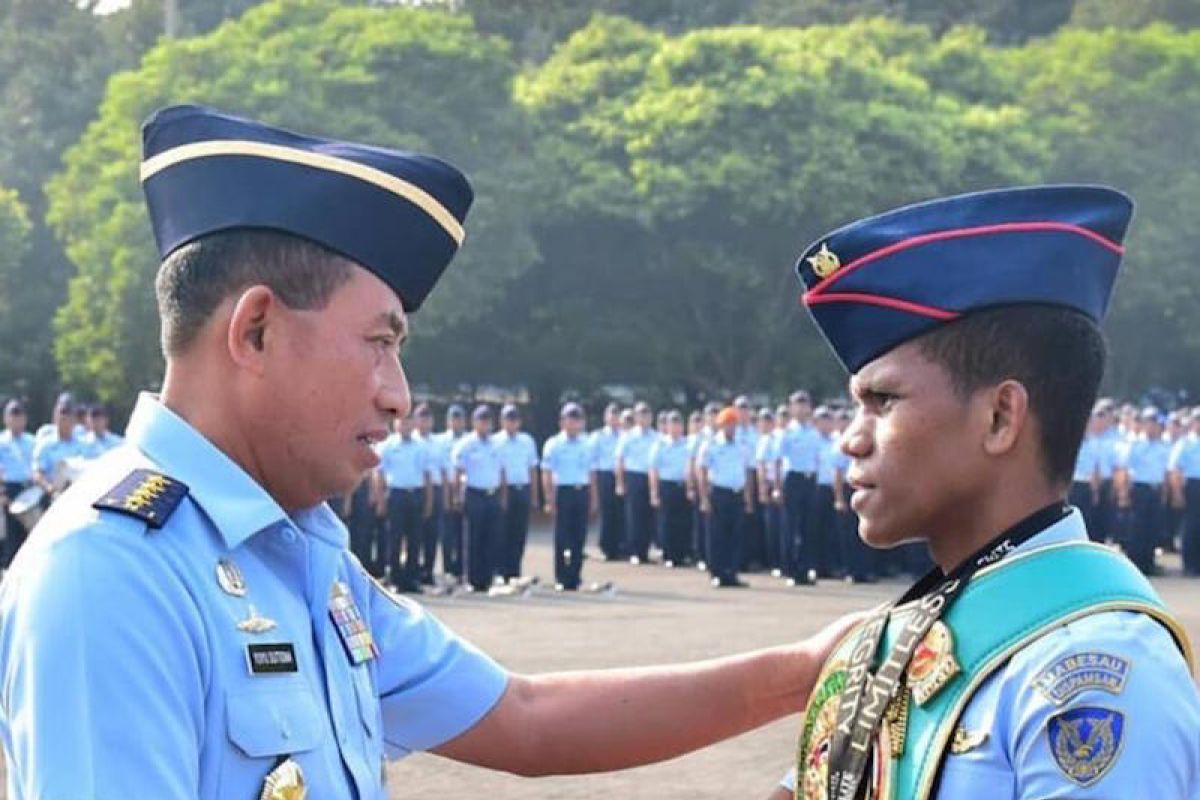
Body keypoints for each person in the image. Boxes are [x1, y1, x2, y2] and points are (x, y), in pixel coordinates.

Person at [0, 106, 856, 800]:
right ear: (254, 329)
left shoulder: (300, 554)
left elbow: (523, 718)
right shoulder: (113, 574)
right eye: (379, 342)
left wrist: (809, 670)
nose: (397, 392)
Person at [773, 185, 1199, 800]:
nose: (851, 441)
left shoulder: (1096, 671)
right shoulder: (889, 642)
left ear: (1001, 417)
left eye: (882, 402)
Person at [375, 413, 433, 593]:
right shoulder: (387, 446)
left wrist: (429, 501)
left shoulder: (421, 447)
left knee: (415, 539)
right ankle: (395, 578)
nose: (405, 426)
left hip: (416, 494)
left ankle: (412, 579)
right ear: (396, 424)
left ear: (413, 424)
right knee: (395, 538)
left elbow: (427, 475)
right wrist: (380, 499)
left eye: (408, 422)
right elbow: (380, 474)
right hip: (396, 495)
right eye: (402, 423)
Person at [697, 406, 753, 588]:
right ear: (720, 426)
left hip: (736, 493)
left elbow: (746, 472)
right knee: (717, 536)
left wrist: (747, 497)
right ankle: (717, 573)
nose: (731, 428)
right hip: (719, 493)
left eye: (733, 424)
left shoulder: (742, 446)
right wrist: (704, 498)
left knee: (735, 536)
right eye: (727, 425)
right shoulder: (711, 445)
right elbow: (702, 471)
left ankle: (732, 572)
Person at [541, 403, 595, 591]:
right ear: (562, 422)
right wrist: (549, 499)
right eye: (570, 420)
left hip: (581, 491)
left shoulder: (587, 443)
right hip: (562, 491)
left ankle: (575, 576)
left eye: (577, 420)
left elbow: (591, 472)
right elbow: (547, 474)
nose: (573, 424)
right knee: (562, 537)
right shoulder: (554, 444)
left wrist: (593, 498)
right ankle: (561, 576)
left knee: (579, 537)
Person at [452, 405, 506, 593]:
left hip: (492, 494)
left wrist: (503, 496)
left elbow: (502, 472)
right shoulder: (466, 444)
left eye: (487, 421)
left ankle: (487, 578)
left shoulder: (497, 444)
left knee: (491, 538)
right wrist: (457, 496)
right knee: (473, 538)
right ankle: (473, 579)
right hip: (474, 494)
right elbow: (458, 472)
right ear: (474, 423)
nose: (485, 425)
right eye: (481, 421)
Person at [1114, 407, 1171, 575]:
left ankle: (1149, 563)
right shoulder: (1135, 445)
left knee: (1153, 528)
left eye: (1156, 423)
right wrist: (1123, 493)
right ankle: (1136, 564)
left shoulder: (1164, 446)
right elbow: (1123, 470)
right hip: (1139, 488)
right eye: (1150, 423)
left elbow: (1166, 473)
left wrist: (1165, 492)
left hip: (1156, 489)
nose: (1153, 427)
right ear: (1144, 424)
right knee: (1136, 528)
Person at [775, 390, 821, 585]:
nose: (802, 408)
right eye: (798, 404)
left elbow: (817, 459)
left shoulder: (814, 432)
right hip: (793, 479)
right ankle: (790, 569)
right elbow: (777, 462)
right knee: (790, 527)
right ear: (791, 408)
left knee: (808, 528)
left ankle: (804, 568)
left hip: (809, 480)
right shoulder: (787, 433)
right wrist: (776, 487)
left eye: (805, 404)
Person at [493, 404, 539, 582]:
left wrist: (534, 496)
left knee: (519, 533)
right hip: (504, 490)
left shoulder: (527, 441)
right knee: (501, 531)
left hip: (522, 488)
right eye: (508, 419)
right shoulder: (495, 441)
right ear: (502, 421)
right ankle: (500, 571)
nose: (511, 423)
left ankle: (514, 570)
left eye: (514, 419)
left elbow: (532, 470)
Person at [649, 409, 692, 567]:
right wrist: (654, 493)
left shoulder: (688, 444)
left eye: (678, 423)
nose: (675, 427)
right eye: (672, 424)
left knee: (683, 521)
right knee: (667, 521)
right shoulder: (660, 445)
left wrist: (690, 487)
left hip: (683, 485)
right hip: (666, 485)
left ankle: (682, 553)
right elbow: (653, 470)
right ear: (667, 426)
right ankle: (669, 554)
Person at [615, 401, 656, 564]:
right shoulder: (628, 437)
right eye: (641, 414)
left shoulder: (657, 437)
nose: (644, 418)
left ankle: (645, 550)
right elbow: (620, 460)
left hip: (651, 477)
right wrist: (620, 482)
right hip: (634, 476)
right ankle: (635, 551)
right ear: (636, 417)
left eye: (647, 414)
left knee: (649, 516)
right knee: (634, 515)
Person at [434, 403, 468, 581]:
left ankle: (461, 570)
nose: (456, 422)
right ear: (448, 421)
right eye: (453, 419)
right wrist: (448, 495)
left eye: (459, 419)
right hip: (445, 488)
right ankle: (448, 570)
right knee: (447, 533)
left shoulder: (469, 439)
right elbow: (441, 468)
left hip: (465, 490)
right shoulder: (440, 441)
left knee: (463, 533)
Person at [0, 399, 35, 567]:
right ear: (6, 418)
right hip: (10, 489)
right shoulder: (1, 442)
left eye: (19, 416)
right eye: (12, 415)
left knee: (30, 535)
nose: (16, 420)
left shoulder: (32, 441)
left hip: (30, 489)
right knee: (12, 536)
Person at [31, 392, 86, 498]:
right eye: (62, 413)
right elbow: (37, 473)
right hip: (53, 495)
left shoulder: (85, 444)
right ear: (55, 417)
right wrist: (49, 488)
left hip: (80, 495)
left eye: (69, 414)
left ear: (75, 419)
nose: (65, 419)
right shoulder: (45, 444)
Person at [589, 402, 625, 560]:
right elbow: (592, 459)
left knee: (621, 512)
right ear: (605, 417)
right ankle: (606, 546)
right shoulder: (598, 436)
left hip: (621, 475)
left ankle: (620, 546)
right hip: (604, 475)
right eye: (611, 414)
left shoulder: (625, 435)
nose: (614, 418)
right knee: (607, 512)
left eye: (617, 415)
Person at [808, 406, 841, 578]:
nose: (826, 424)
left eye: (828, 420)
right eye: (822, 420)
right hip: (816, 487)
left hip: (833, 488)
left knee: (831, 530)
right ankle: (815, 566)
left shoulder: (837, 440)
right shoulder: (812, 440)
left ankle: (829, 566)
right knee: (815, 529)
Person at [1169, 408, 1200, 576]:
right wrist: (1178, 492)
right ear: (1193, 422)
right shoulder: (1185, 443)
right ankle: (1189, 564)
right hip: (1192, 485)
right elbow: (1175, 469)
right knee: (1191, 526)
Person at [413, 402, 441, 584]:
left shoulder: (439, 443)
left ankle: (428, 572)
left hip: (435, 490)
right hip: (416, 491)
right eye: (421, 418)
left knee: (432, 534)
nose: (424, 422)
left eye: (427, 418)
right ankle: (414, 570)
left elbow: (445, 470)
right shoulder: (411, 441)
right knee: (414, 535)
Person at [755, 407, 782, 575]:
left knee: (782, 525)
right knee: (772, 525)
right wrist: (763, 488)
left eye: (769, 420)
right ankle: (774, 562)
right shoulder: (766, 440)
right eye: (764, 420)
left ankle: (782, 560)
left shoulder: (780, 437)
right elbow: (761, 466)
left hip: (783, 484)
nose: (767, 423)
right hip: (770, 483)